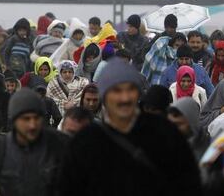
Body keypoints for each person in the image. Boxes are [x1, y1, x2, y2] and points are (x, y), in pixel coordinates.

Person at [58, 58, 202, 195]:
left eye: (130, 90)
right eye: (116, 91)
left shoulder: (165, 132)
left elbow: (188, 182)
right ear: (104, 96)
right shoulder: (87, 140)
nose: (125, 98)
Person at [0, 88, 69, 196]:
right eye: (26, 119)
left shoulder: (60, 144)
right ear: (14, 120)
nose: (32, 125)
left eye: (36, 118)